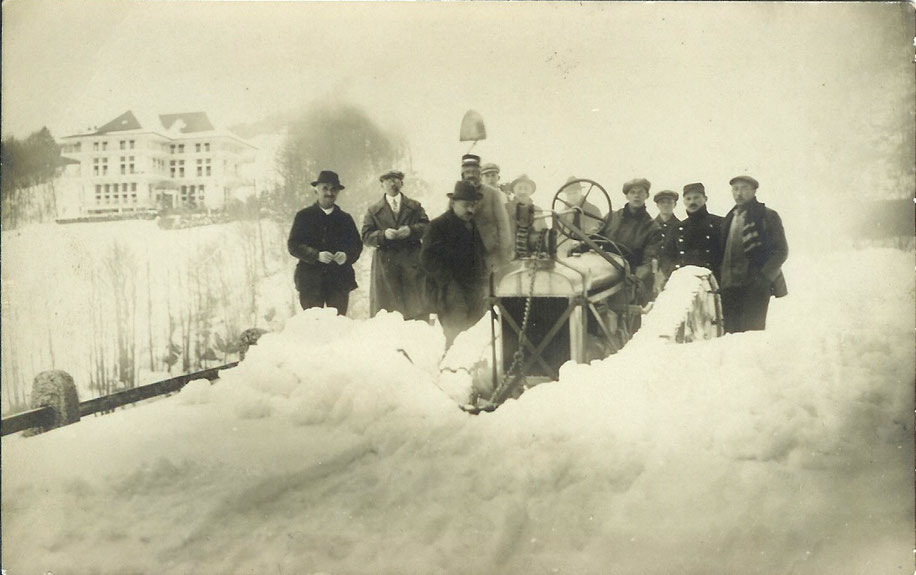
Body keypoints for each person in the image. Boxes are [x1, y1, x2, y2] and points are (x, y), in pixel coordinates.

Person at [421, 181, 488, 347]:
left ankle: (470, 368)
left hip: (473, 289)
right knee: (455, 332)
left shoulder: (471, 225)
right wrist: (448, 282)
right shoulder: (438, 226)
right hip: (449, 290)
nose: (471, 210)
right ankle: (451, 367)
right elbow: (427, 258)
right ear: (453, 203)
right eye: (466, 205)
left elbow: (479, 254)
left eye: (473, 205)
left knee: (474, 332)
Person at [287, 170, 363, 315]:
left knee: (338, 324)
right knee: (313, 325)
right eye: (325, 188)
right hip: (310, 282)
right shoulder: (303, 216)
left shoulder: (345, 218)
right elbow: (293, 245)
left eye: (334, 189)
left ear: (338, 192)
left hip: (339, 281)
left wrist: (346, 256)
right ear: (316, 190)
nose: (329, 192)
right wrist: (316, 255)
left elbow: (357, 245)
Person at [719, 175, 788, 333]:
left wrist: (763, 278)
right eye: (735, 189)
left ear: (754, 191)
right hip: (729, 286)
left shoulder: (766, 215)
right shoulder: (728, 219)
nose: (739, 193)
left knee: (752, 335)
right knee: (731, 334)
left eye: (744, 188)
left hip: (755, 285)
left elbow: (781, 251)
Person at [361, 169, 430, 320]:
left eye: (396, 179)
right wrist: (382, 235)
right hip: (386, 265)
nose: (392, 183)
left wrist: (411, 230)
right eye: (388, 180)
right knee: (388, 313)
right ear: (382, 185)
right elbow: (366, 236)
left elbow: (427, 228)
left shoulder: (414, 206)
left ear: (402, 183)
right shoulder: (373, 211)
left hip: (411, 262)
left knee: (416, 310)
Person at [590, 178, 662, 304]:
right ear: (627, 195)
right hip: (603, 274)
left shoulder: (652, 227)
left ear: (647, 195)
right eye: (632, 192)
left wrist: (634, 279)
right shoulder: (611, 217)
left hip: (629, 280)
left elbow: (648, 261)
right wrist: (580, 244)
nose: (636, 195)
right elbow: (593, 237)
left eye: (640, 192)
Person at [460, 154, 513, 272]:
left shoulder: (492, 194)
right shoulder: (457, 194)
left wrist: (503, 253)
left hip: (489, 251)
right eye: (467, 172)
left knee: (489, 286)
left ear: (479, 174)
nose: (471, 175)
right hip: (464, 250)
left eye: (474, 172)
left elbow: (503, 225)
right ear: (463, 175)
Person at [663, 182, 723, 282]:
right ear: (684, 201)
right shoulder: (677, 228)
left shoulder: (719, 224)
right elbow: (667, 256)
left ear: (705, 199)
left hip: (713, 280)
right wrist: (674, 273)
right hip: (684, 281)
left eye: (696, 198)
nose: (692, 202)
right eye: (688, 199)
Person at [504, 174, 547, 240]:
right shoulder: (505, 208)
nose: (523, 192)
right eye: (519, 188)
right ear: (513, 190)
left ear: (531, 191)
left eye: (526, 188)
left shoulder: (537, 210)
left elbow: (544, 233)